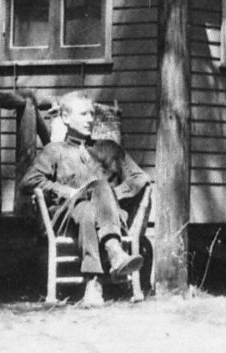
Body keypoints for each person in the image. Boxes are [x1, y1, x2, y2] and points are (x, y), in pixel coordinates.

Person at [19, 91, 150, 304]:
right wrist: (64, 191)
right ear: (65, 118)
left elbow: (139, 177)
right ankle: (114, 251)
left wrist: (110, 195)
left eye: (91, 114)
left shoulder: (108, 149)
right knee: (96, 189)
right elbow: (28, 182)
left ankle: (93, 284)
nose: (90, 120)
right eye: (83, 114)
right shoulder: (54, 151)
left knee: (90, 207)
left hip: (104, 217)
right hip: (66, 219)